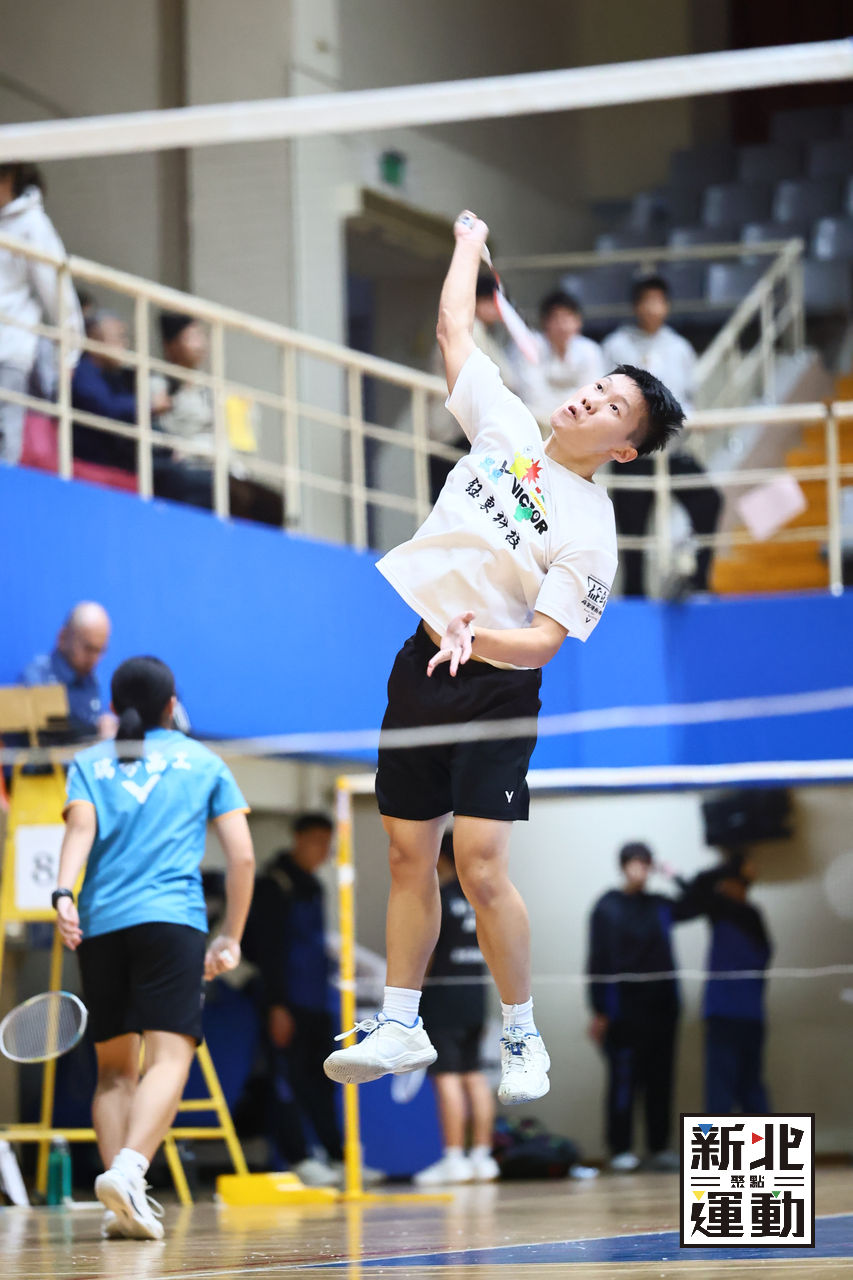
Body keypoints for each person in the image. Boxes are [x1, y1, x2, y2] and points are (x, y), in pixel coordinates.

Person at [324, 209, 684, 1106]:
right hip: (421, 666)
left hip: (495, 689)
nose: (589, 400)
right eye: (595, 387)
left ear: (623, 448)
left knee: (480, 866)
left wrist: (476, 637)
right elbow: (453, 328)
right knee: (406, 857)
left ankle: (521, 1033)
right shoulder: (508, 424)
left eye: (611, 407)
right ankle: (400, 1023)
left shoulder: (590, 531)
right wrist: (465, 247)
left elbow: (544, 644)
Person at [53, 655, 255, 1240]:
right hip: (171, 923)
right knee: (169, 1058)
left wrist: (63, 894)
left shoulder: (90, 761)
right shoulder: (204, 761)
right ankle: (129, 1171)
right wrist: (232, 935)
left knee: (114, 1072)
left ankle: (124, 1202)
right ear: (172, 705)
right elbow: (242, 857)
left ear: (114, 706)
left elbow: (79, 831)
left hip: (101, 925)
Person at [240, 813, 346, 1187]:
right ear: (298, 839)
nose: (323, 850)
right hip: (286, 1002)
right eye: (317, 841)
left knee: (325, 1080)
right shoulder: (273, 885)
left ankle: (337, 1157)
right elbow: (267, 951)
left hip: (318, 1000)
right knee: (287, 1079)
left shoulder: (315, 885)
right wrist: (277, 1006)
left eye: (328, 843)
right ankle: (298, 1156)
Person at [601, 276, 721, 596]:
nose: (653, 308)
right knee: (633, 530)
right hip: (632, 453)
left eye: (659, 301)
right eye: (647, 301)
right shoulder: (616, 345)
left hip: (673, 450)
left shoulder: (679, 347)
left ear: (667, 306)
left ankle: (699, 581)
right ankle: (635, 596)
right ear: (636, 306)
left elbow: (689, 399)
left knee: (709, 501)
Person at [587, 842, 691, 1172]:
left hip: (663, 1008)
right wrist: (599, 1010)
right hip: (624, 1012)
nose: (640, 869)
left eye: (646, 864)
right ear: (623, 866)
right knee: (624, 1080)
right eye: (634, 863)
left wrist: (672, 873)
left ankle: (659, 1146)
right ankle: (620, 1148)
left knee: (660, 1080)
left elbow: (697, 902)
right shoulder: (607, 906)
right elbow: (597, 960)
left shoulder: (659, 905)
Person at [413, 832, 499, 1186]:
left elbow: (426, 952)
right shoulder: (482, 899)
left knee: (447, 1075)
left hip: (444, 997)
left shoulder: (441, 897)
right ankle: (482, 1156)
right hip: (476, 996)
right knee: (474, 1074)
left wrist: (412, 991)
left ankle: (453, 1158)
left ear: (440, 857)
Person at [152, 312, 284, 524]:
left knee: (274, 503)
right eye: (190, 337)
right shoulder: (159, 383)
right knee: (238, 496)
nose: (200, 344)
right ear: (171, 345)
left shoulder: (212, 388)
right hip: (189, 464)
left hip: (224, 465)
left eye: (200, 336)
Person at [0, 163, 83, 464]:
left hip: (8, 346)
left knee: (5, 437)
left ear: (9, 178)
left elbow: (57, 291)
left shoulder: (32, 224)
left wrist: (69, 352)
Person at [675, 856, 772, 1113]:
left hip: (726, 1015)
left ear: (735, 885)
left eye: (725, 883)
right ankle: (764, 1142)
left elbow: (698, 886)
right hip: (751, 1016)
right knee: (751, 1090)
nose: (719, 888)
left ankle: (719, 1143)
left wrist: (729, 868)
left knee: (721, 1094)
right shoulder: (752, 918)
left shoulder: (730, 913)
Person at [428, 274, 517, 501]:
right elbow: (486, 379)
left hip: (463, 430)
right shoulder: (468, 329)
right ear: (481, 301)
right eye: (495, 302)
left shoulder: (481, 331)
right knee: (455, 499)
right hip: (454, 431)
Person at [72, 311, 170, 472]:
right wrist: (149, 404)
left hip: (118, 457)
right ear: (94, 340)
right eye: (118, 338)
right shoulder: (83, 372)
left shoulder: (112, 376)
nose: (124, 345)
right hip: (96, 459)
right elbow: (108, 407)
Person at [22, 602, 113, 740]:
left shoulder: (90, 679)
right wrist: (96, 729)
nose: (94, 658)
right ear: (63, 638)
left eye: (100, 651)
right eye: (88, 648)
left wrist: (105, 723)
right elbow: (51, 730)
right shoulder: (36, 678)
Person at [517, 290, 604, 432]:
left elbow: (591, 394)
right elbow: (531, 395)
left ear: (578, 321)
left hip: (579, 422)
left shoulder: (590, 350)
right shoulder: (530, 346)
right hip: (538, 421)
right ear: (545, 322)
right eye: (556, 318)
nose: (562, 325)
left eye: (568, 318)